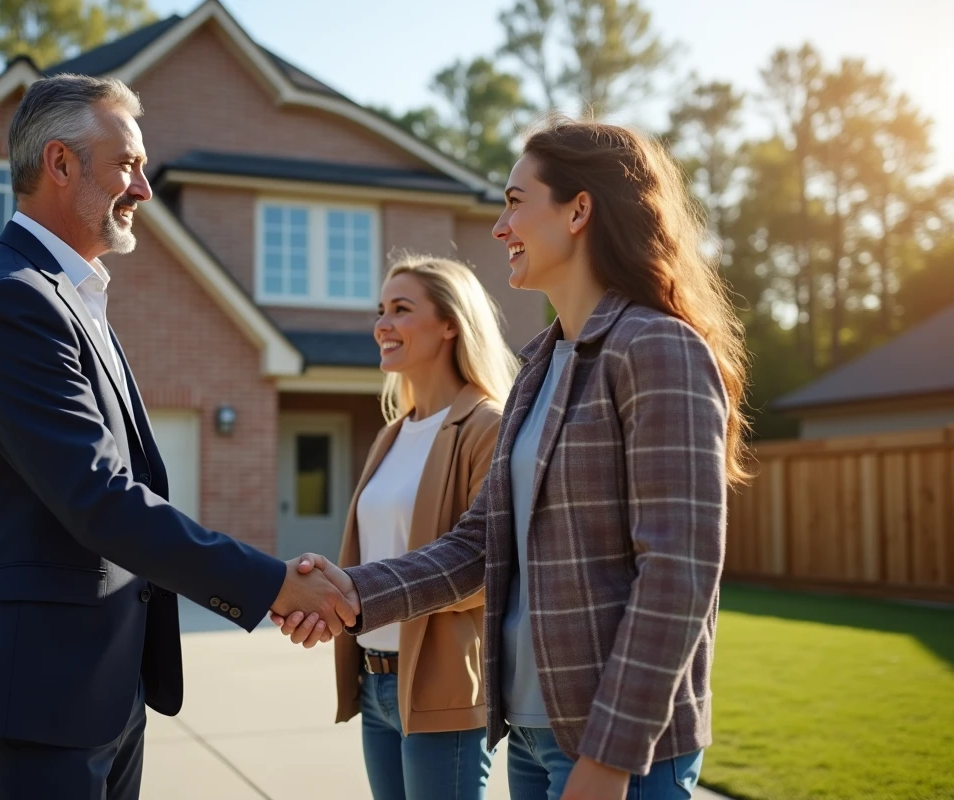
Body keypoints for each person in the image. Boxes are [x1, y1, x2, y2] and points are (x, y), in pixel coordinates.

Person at [277, 114, 750, 800]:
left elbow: (679, 572)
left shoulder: (657, 348)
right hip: (530, 733)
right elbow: (481, 542)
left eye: (514, 202)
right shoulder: (539, 368)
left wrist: (610, 757)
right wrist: (355, 591)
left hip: (617, 746)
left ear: (579, 209)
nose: (500, 228)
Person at [0, 74, 353, 800]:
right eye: (127, 164)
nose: (144, 187)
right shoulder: (11, 304)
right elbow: (99, 500)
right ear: (59, 164)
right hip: (33, 695)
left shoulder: (71, 300)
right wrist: (271, 584)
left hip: (97, 690)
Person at [338, 255, 518, 799]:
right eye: (380, 310)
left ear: (449, 324)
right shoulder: (391, 435)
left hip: (441, 685)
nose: (382, 325)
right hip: (375, 682)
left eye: (401, 309)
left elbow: (489, 571)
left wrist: (369, 593)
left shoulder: (487, 426)